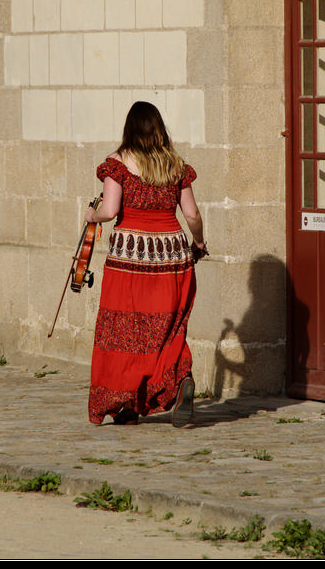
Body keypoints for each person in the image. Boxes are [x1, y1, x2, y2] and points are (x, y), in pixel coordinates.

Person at [83, 101, 207, 427]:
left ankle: (123, 402)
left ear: (129, 128)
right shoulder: (176, 165)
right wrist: (199, 243)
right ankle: (181, 382)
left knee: (124, 329)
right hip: (172, 254)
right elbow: (192, 214)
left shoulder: (118, 163)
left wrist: (90, 215)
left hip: (130, 256)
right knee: (168, 327)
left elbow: (109, 211)